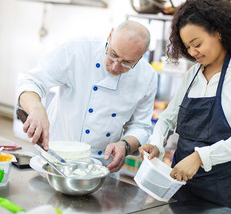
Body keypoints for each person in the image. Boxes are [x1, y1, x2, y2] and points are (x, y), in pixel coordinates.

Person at [139, 0, 231, 213]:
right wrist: (157, 143)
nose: (192, 53)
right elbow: (168, 119)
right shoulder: (193, 75)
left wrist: (201, 157)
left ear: (219, 33)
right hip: (182, 187)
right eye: (187, 47)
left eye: (197, 44)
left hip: (225, 194)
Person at [17, 20, 157, 173]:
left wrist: (125, 145)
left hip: (101, 167)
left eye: (127, 63)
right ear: (109, 36)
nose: (116, 66)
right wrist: (36, 109)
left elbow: (141, 127)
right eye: (113, 55)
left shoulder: (147, 76)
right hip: (55, 158)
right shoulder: (78, 50)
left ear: (142, 56)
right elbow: (32, 81)